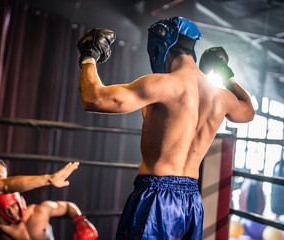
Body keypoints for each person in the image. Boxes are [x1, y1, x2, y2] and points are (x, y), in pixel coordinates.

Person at [77, 16, 255, 239]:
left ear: (161, 46)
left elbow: (92, 99)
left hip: (155, 199)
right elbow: (248, 111)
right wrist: (225, 74)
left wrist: (89, 56)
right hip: (192, 201)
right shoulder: (220, 96)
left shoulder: (161, 84)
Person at [0, 192, 98, 240]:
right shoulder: (1, 223)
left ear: (20, 202)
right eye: (6, 210)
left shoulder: (41, 211)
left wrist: (80, 221)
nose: (11, 212)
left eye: (13, 206)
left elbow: (69, 206)